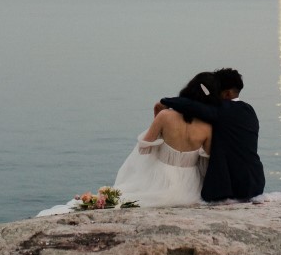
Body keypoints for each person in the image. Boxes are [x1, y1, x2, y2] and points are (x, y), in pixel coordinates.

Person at [36, 72, 219, 215]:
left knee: (128, 196)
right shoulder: (208, 128)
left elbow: (145, 145)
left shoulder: (166, 116)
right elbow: (207, 159)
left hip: (160, 176)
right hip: (188, 185)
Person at [161, 67, 265, 203]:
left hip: (233, 187)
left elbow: (189, 105)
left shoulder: (221, 110)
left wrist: (165, 100)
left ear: (227, 93)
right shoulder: (249, 110)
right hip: (255, 182)